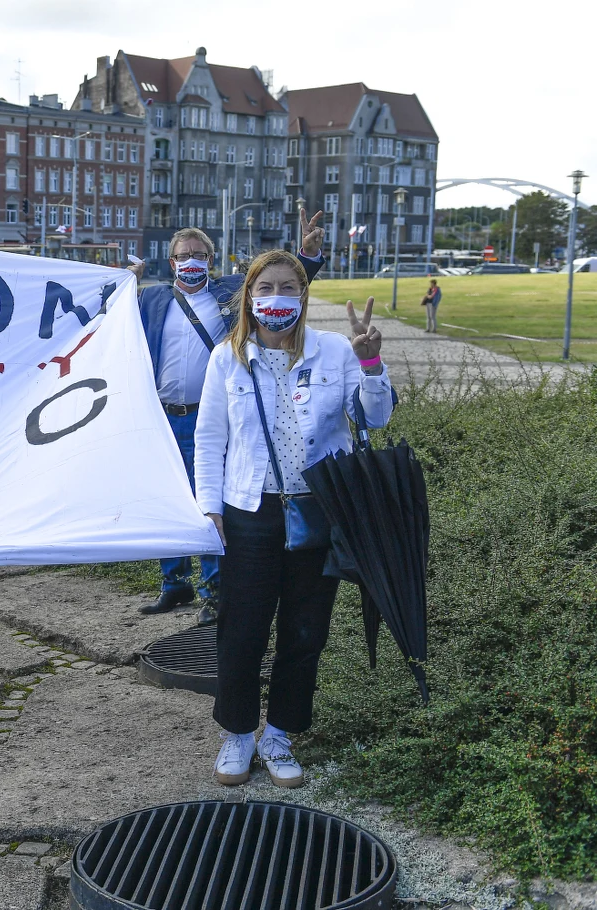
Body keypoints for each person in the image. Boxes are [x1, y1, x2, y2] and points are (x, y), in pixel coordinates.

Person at [194, 250, 393, 789]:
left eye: (287, 287)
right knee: (241, 630)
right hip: (249, 512)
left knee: (305, 631)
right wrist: (210, 509)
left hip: (317, 510)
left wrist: (372, 365)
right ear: (249, 297)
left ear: (303, 295)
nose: (276, 297)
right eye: (265, 288)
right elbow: (209, 439)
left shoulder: (335, 350)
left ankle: (279, 734)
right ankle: (238, 733)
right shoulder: (227, 358)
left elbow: (375, 418)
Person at [130, 211, 325, 627]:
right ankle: (173, 582)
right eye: (184, 255)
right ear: (172, 262)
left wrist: (307, 255)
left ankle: (214, 589)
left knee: (209, 499)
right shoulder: (152, 298)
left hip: (213, 417)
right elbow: (108, 320)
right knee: (169, 499)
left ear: (211, 259)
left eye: (199, 254)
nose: (191, 261)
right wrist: (122, 284)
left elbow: (279, 285)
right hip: (163, 416)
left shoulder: (230, 293)